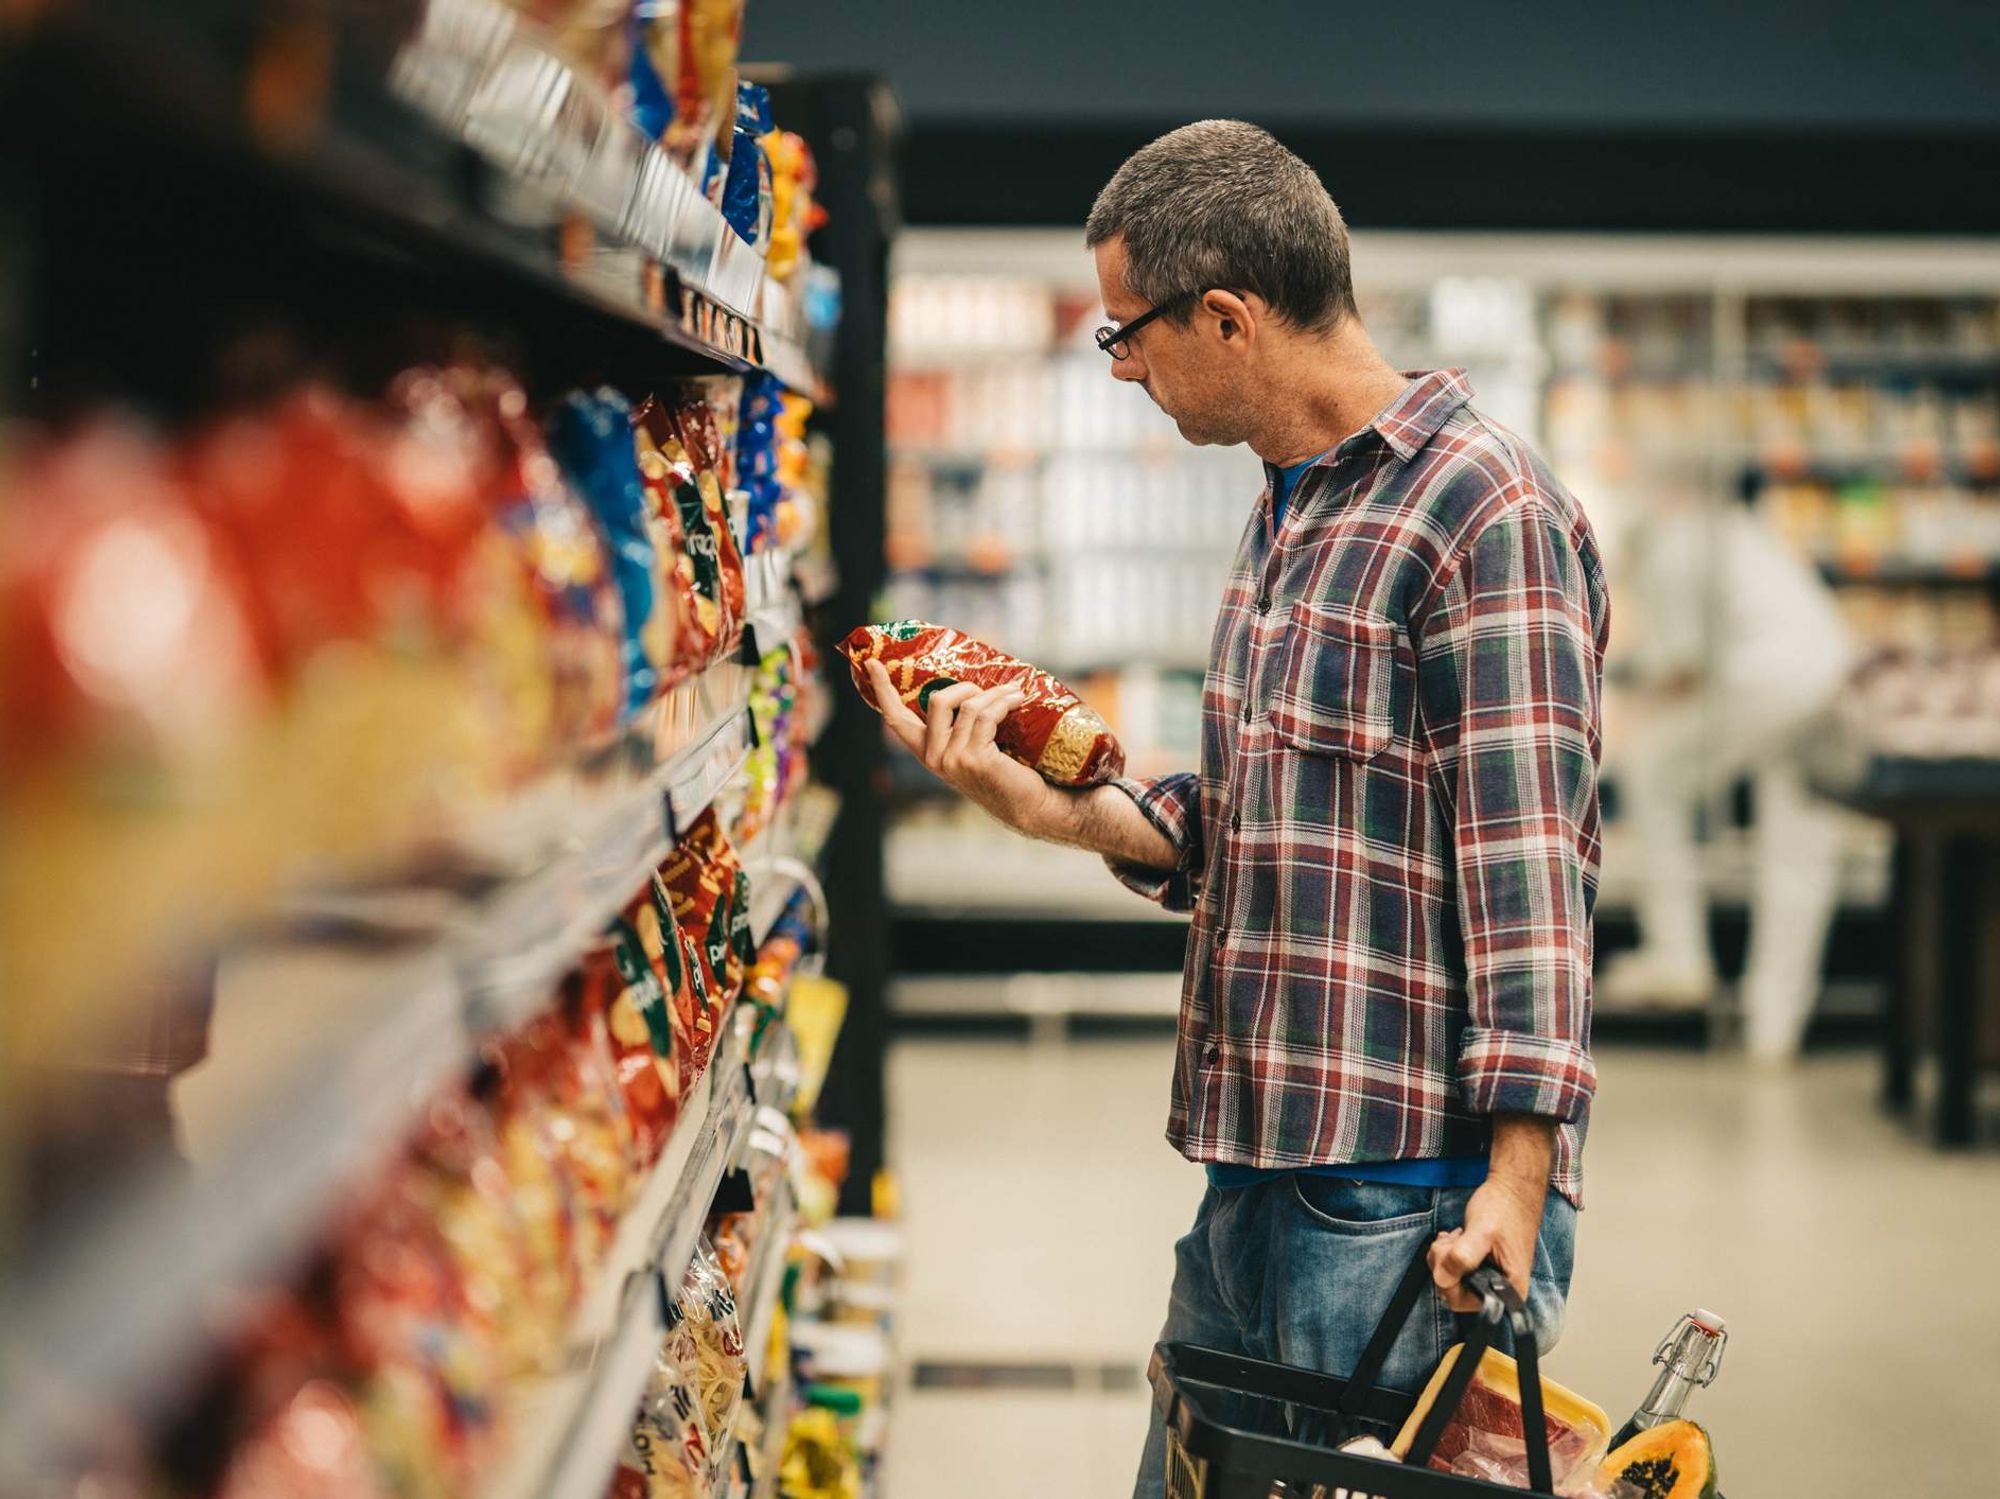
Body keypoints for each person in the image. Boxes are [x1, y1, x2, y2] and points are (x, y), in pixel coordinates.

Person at [858, 121, 1607, 1497]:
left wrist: (1521, 1176)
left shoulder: (1481, 512)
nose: (1124, 364)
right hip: (1257, 1174)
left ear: (1227, 316)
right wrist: (1044, 806)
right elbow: (1249, 824)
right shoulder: (1293, 510)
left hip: (1407, 1195)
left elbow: (1531, 871)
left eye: (1126, 333)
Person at [1598, 499, 1855, 1058]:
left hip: (1764, 677)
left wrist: (1615, 686)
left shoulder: (1667, 553)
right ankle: (1774, 1028)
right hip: (1828, 671)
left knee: (1653, 775)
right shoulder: (1732, 528)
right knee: (1799, 852)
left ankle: (1679, 953)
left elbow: (1682, 672)